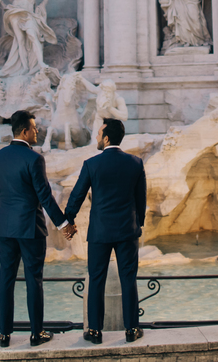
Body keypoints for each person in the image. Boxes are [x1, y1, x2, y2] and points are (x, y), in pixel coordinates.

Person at [0, 110, 72, 348]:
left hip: (5, 228)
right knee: (33, 280)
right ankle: (36, 333)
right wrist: (64, 223)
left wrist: (4, 218)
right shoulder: (34, 158)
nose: (37, 132)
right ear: (25, 131)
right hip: (30, 229)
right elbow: (44, 196)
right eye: (34, 128)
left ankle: (4, 335)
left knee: (6, 279)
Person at [63, 118, 147, 344]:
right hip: (127, 231)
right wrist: (138, 223)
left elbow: (77, 196)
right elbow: (141, 200)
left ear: (107, 138)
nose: (97, 137)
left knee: (96, 279)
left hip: (100, 232)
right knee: (128, 278)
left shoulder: (92, 164)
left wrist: (67, 221)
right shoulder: (135, 163)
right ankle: (131, 329)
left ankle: (94, 331)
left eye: (99, 134)